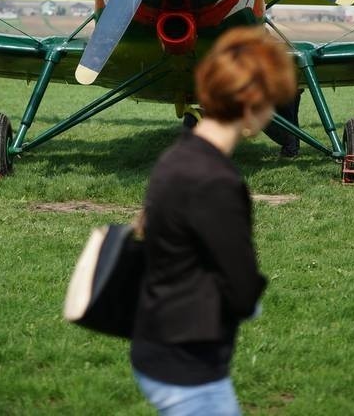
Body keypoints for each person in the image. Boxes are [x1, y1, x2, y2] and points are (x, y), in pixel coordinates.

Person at [131, 26, 297, 415]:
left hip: (156, 343)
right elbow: (242, 291)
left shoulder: (177, 156)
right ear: (251, 104)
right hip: (189, 366)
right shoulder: (218, 181)